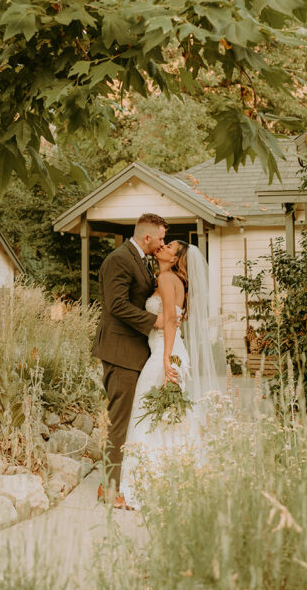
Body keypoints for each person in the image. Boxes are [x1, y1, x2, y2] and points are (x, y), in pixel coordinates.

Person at [119, 240, 229, 510]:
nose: (163, 246)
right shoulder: (168, 279)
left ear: (176, 258)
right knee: (166, 417)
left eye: (169, 246)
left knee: (149, 413)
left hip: (165, 352)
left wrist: (167, 359)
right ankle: (174, 478)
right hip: (168, 349)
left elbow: (169, 319)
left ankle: (144, 484)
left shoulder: (168, 278)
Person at [92, 213, 178, 507]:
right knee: (119, 421)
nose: (163, 243)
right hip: (120, 351)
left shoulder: (140, 259)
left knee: (126, 420)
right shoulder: (119, 259)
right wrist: (153, 321)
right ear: (147, 237)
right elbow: (115, 304)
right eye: (161, 238)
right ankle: (110, 488)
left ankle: (113, 483)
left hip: (134, 352)